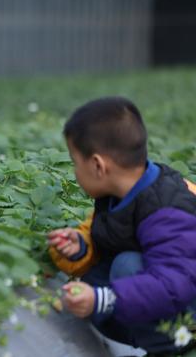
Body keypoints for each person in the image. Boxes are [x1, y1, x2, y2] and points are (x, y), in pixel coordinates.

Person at [47, 96, 196, 355]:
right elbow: (110, 237)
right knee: (102, 275)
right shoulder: (119, 192)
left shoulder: (167, 208)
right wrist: (80, 246)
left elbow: (174, 283)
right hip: (161, 295)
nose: (74, 171)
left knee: (126, 266)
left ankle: (162, 349)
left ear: (97, 165)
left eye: (74, 162)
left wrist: (104, 300)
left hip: (187, 318)